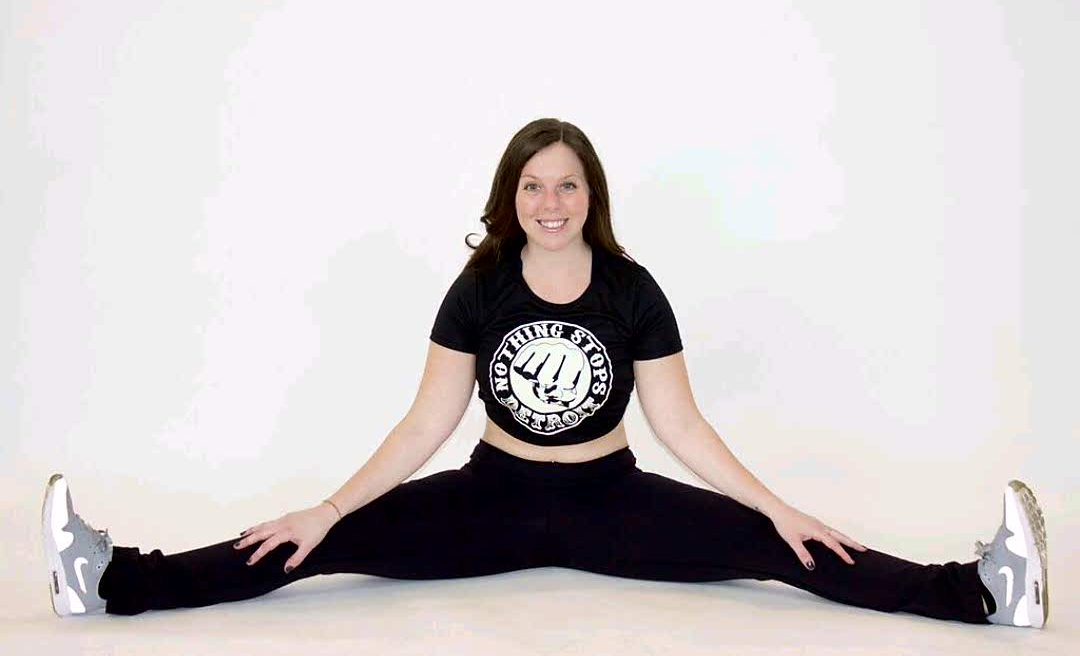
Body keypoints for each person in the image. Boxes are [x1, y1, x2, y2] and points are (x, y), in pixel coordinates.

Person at [41, 118, 1049, 628]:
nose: (551, 200)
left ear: (589, 193)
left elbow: (683, 426)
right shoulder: (480, 286)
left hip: (613, 500)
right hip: (491, 496)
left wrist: (779, 505)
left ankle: (985, 594)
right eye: (534, 184)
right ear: (510, 195)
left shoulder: (631, 287)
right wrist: (329, 505)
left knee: (789, 549)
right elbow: (424, 422)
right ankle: (112, 580)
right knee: (309, 543)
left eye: (568, 183)